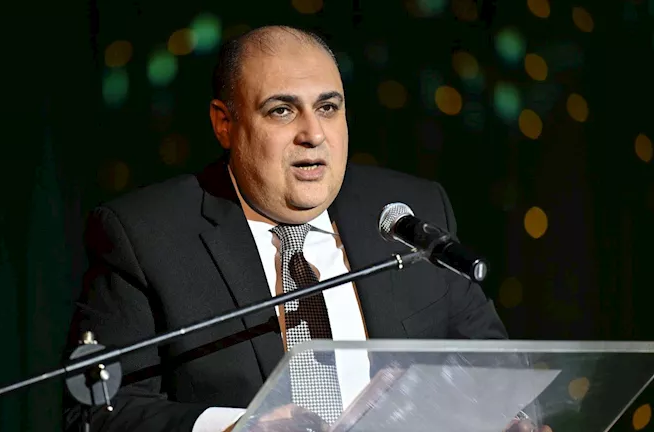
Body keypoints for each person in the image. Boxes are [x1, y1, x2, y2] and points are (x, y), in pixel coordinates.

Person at [63, 25, 527, 432]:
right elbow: (101, 411)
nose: (313, 134)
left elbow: (490, 362)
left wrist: (511, 416)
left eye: (328, 108)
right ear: (224, 123)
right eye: (282, 111)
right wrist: (238, 429)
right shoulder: (144, 236)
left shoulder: (410, 214)